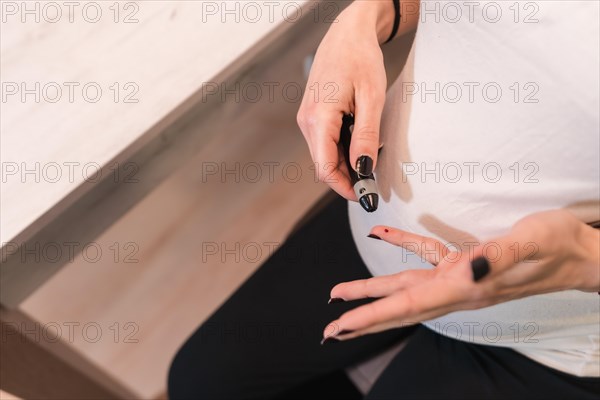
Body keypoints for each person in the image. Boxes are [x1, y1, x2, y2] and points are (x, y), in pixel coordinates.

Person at [168, 1, 600, 398]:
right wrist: (365, 20)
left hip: (549, 327)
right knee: (199, 382)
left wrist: (584, 259)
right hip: (381, 228)